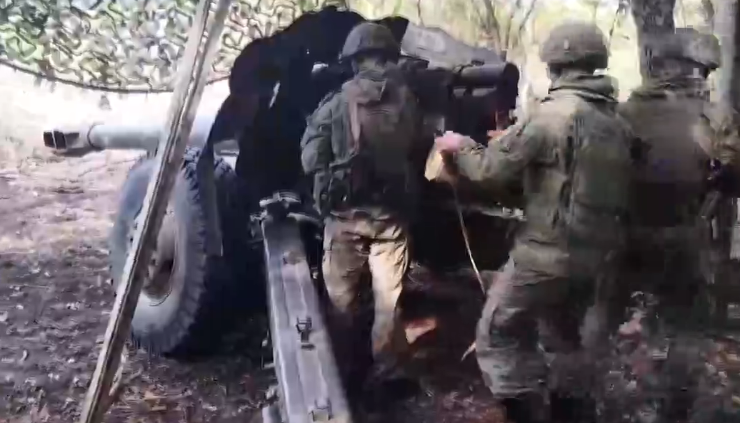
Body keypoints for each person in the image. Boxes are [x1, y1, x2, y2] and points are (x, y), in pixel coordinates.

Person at [433, 21, 639, 423]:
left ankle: (524, 413)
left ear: (554, 64)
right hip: (596, 258)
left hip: (546, 255)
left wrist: (461, 145)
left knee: (497, 334)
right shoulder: (616, 122)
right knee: (564, 338)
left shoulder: (552, 115)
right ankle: (572, 414)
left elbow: (488, 170)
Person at [612, 28, 740, 420]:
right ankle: (674, 407)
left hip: (622, 238)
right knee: (686, 329)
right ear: (698, 69)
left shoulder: (622, 112)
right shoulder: (715, 117)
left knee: (609, 325)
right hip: (684, 238)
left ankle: (607, 399)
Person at [299, 22, 424, 393]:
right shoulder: (408, 102)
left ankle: (342, 371)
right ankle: (388, 370)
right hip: (391, 219)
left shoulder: (337, 103)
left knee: (341, 301)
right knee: (389, 300)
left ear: (354, 60)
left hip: (346, 218)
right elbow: (417, 146)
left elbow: (310, 159)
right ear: (389, 57)